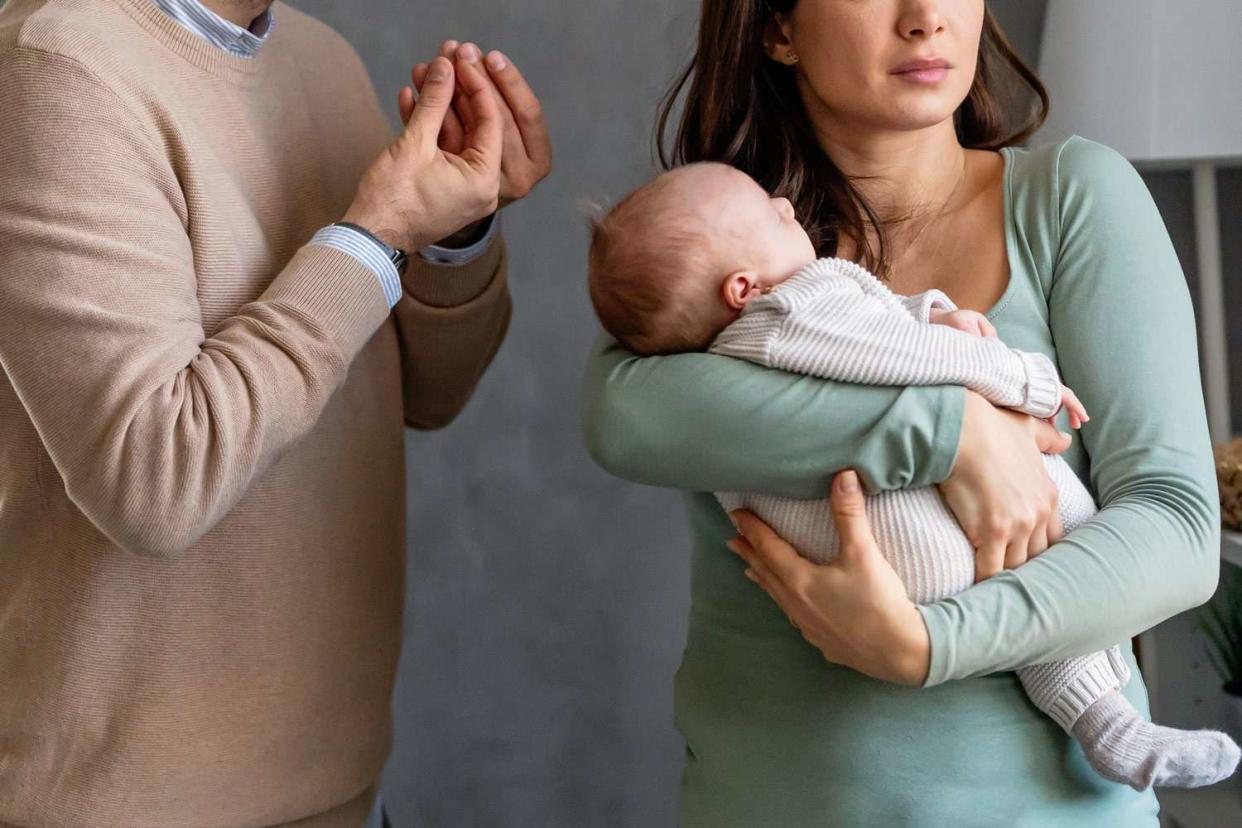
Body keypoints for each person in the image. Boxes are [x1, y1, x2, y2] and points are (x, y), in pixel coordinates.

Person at [580, 1, 1220, 824]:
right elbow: (623, 420)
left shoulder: (1071, 199)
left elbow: (1177, 528)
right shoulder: (718, 243)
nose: (925, 17)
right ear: (777, 28)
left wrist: (929, 644)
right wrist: (956, 434)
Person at [0, 0, 549, 825]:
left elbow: (425, 394)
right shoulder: (54, 65)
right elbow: (156, 482)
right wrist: (378, 230)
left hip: (343, 787)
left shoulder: (321, 59)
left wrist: (449, 234)